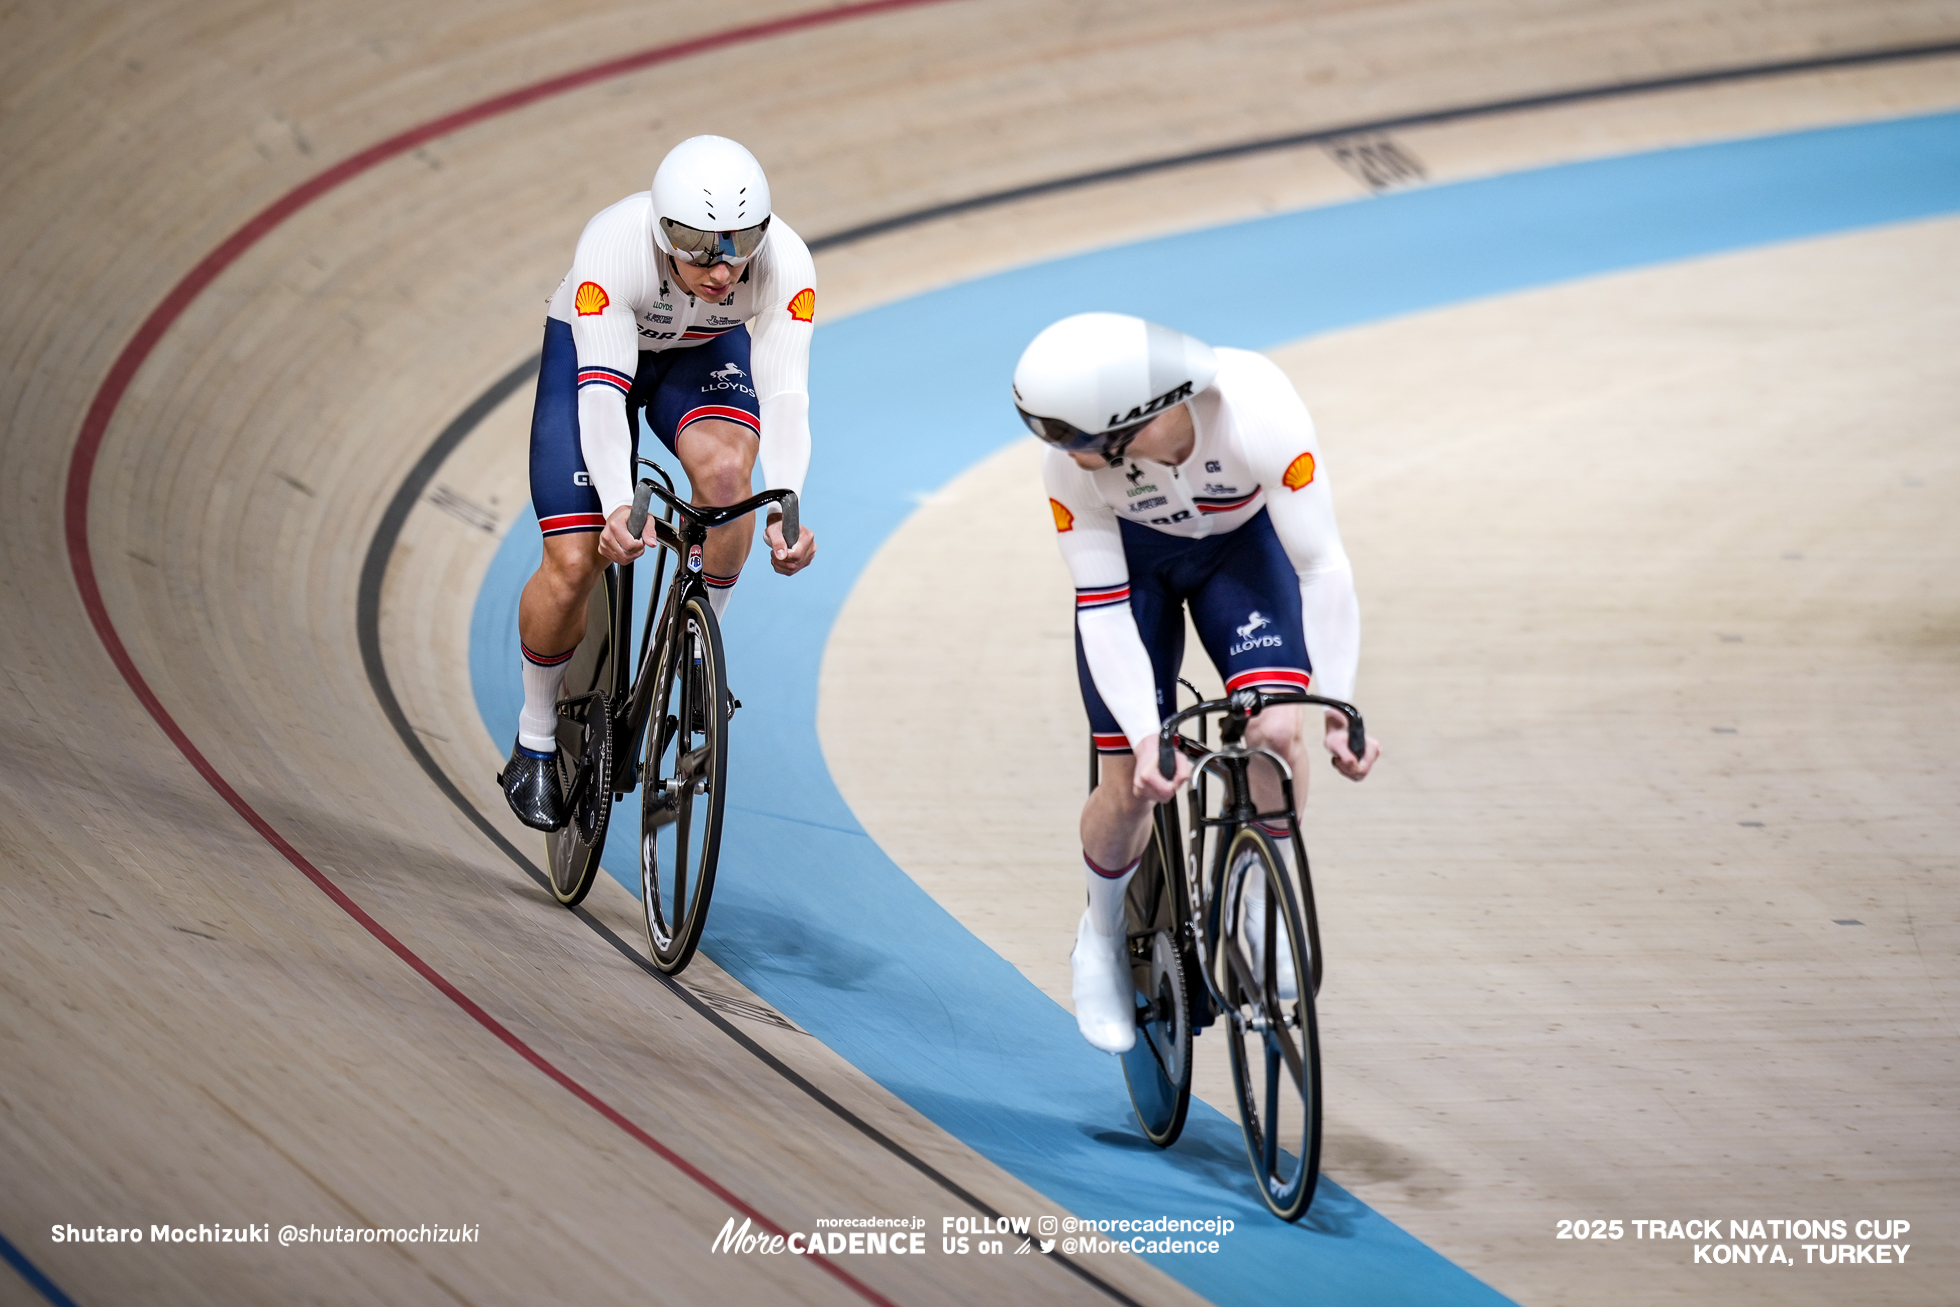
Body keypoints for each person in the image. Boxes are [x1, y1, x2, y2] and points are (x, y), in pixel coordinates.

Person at [1014, 312, 1383, 1053]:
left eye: (1069, 436)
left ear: (1129, 420)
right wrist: (1148, 739)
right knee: (1130, 784)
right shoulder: (1070, 471)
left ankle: (1260, 893)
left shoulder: (1259, 406)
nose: (1056, 450)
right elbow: (1103, 606)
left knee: (1278, 731)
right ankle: (1103, 932)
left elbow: (1322, 566)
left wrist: (1338, 701)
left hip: (1239, 553)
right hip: (1135, 576)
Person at [501, 135, 818, 830]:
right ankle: (535, 734)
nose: (721, 266)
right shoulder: (614, 246)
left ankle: (699, 650)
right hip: (593, 358)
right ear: (660, 230)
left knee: (732, 476)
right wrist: (618, 504)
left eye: (739, 244)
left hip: (699, 356)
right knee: (576, 559)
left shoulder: (785, 264)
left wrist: (787, 503)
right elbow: (601, 394)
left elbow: (786, 393)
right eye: (697, 244)